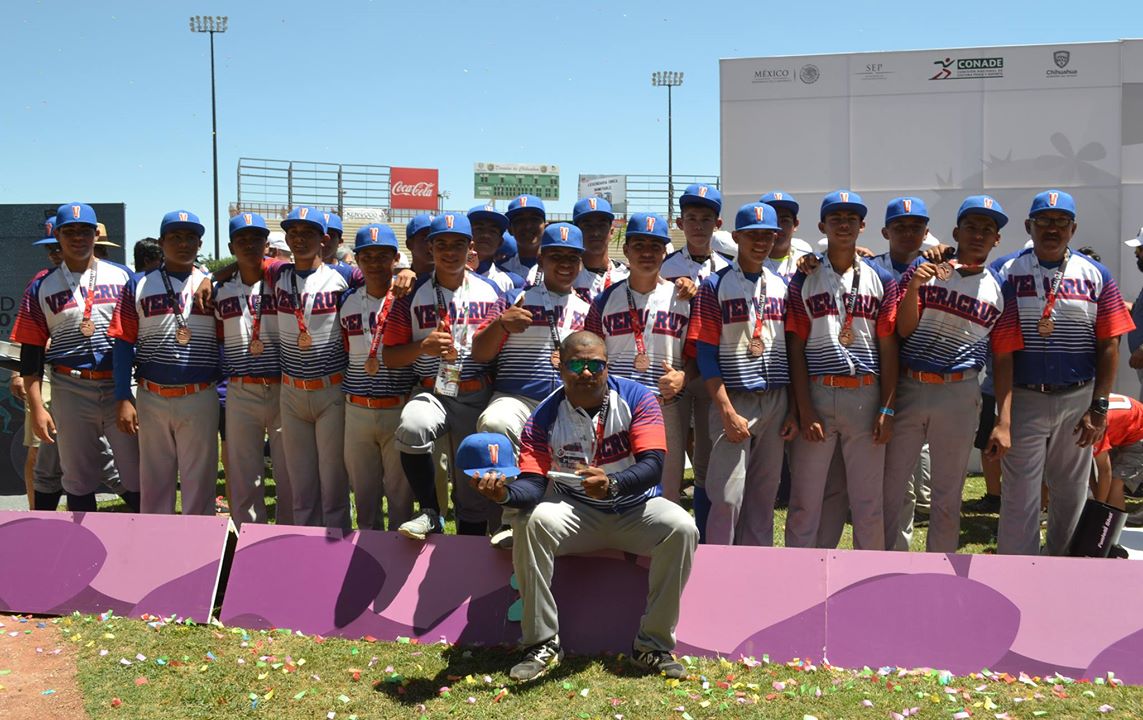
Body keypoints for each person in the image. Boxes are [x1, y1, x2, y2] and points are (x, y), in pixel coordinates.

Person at [470, 331, 697, 682]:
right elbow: (532, 484)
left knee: (681, 526)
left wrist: (614, 484)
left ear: (607, 366)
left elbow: (654, 463)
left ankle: (652, 646)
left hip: (633, 508)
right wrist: (503, 496)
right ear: (560, 366)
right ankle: (541, 643)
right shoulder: (543, 416)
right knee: (532, 522)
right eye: (577, 364)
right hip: (576, 513)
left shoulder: (638, 398)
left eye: (596, 364)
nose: (587, 372)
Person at [989, 190, 1134, 556]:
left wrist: (1098, 406)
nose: (1052, 229)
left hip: (1077, 397)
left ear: (1073, 229)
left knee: (1071, 492)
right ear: (1029, 226)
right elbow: (1002, 351)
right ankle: (1016, 573)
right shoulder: (1005, 271)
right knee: (1020, 494)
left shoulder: (1096, 273)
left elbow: (1109, 345)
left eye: (1060, 222)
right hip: (1024, 396)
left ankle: (1064, 573)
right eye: (1044, 221)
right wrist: (1003, 417)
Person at [885, 195, 1010, 553]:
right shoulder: (926, 269)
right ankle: (894, 562)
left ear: (996, 240)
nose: (978, 234)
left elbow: (1003, 357)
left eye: (988, 229)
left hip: (959, 390)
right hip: (912, 383)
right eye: (971, 226)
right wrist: (913, 288)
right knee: (895, 486)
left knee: (947, 490)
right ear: (956, 231)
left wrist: (1004, 417)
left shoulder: (999, 287)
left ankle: (939, 568)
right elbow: (904, 331)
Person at [785, 190, 899, 551]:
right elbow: (796, 348)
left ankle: (870, 585)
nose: (844, 224)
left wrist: (887, 406)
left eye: (852, 218)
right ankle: (800, 578)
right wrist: (804, 408)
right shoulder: (804, 277)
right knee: (806, 500)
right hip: (818, 391)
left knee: (868, 503)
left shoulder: (881, 278)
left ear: (863, 225)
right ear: (823, 226)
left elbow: (888, 345)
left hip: (866, 394)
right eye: (836, 218)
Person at [384, 212, 504, 539]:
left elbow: (500, 350)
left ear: (470, 248)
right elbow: (390, 356)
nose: (450, 252)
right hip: (431, 391)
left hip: (476, 392)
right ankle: (430, 511)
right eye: (442, 245)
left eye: (458, 244)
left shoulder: (492, 290)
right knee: (412, 426)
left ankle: (467, 559)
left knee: (471, 492)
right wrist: (421, 347)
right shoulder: (411, 292)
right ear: (430, 248)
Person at [472, 222, 591, 547]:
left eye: (572, 257)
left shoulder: (587, 308)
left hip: (567, 404)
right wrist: (501, 324)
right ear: (541, 258)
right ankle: (512, 519)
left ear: (581, 262)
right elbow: (480, 353)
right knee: (496, 421)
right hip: (517, 396)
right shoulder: (515, 297)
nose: (565, 264)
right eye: (556, 257)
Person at [688, 202, 797, 545]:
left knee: (764, 498)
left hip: (775, 398)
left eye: (769, 235)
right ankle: (719, 569)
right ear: (736, 237)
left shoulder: (781, 285)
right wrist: (725, 410)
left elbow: (792, 353)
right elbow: (705, 354)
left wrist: (792, 408)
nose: (762, 242)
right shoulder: (714, 285)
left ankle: (756, 571)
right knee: (728, 497)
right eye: (753, 235)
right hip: (734, 399)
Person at [13, 209, 136, 511]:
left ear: (96, 234)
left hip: (120, 386)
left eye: (85, 230)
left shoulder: (122, 276)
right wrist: (38, 408)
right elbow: (31, 354)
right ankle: (85, 550)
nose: (78, 237)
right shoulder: (41, 286)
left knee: (135, 473)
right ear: (57, 235)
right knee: (77, 479)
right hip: (70, 385)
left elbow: (140, 335)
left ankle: (146, 549)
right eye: (70, 231)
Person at [110, 209, 217, 515]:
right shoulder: (138, 284)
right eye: (175, 237)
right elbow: (122, 342)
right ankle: (157, 552)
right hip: (151, 393)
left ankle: (199, 552)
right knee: (155, 482)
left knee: (200, 482)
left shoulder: (212, 285)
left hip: (199, 393)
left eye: (190, 238)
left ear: (199, 243)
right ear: (161, 242)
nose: (183, 243)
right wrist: (122, 395)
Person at [586, 213, 695, 501]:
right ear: (626, 250)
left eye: (655, 246)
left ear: (665, 251)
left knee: (664, 491)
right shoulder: (605, 300)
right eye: (639, 245)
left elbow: (698, 355)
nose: (647, 253)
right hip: (616, 408)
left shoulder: (683, 299)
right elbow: (592, 357)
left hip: (667, 405)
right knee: (615, 487)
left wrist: (684, 376)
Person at [265, 207, 353, 530]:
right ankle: (304, 554)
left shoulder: (344, 276)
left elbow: (378, 277)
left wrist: (407, 273)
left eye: (308, 233)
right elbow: (246, 261)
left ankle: (336, 553)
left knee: (333, 485)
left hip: (330, 389)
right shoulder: (277, 274)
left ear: (324, 239)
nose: (299, 239)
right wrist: (215, 276)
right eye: (294, 233)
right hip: (291, 392)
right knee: (301, 486)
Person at [214, 212, 293, 526]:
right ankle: (249, 539)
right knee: (243, 473)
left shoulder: (283, 278)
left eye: (256, 238)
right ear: (232, 245)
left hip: (282, 386)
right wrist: (212, 275)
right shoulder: (219, 289)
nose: (249, 245)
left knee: (289, 472)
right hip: (240, 387)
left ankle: (289, 536)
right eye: (241, 239)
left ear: (267, 244)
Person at [339, 223, 416, 530]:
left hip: (397, 405)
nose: (373, 263)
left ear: (395, 257)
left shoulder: (407, 298)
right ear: (357, 260)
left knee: (400, 496)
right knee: (365, 495)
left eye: (381, 256)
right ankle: (368, 556)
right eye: (366, 256)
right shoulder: (346, 299)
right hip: (357, 407)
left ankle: (398, 559)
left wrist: (410, 271)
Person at [571, 196, 628, 304]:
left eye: (602, 225)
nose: (595, 232)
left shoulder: (626, 276)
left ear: (611, 231)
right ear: (576, 232)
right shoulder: (564, 274)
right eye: (587, 226)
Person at [468, 204, 524, 292]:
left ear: (500, 242)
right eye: (479, 229)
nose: (485, 235)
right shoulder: (445, 276)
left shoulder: (513, 282)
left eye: (493, 231)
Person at [759, 191, 810, 282]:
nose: (778, 226)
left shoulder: (808, 261)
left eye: (784, 220)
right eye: (772, 220)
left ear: (795, 224)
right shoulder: (750, 263)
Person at [498, 195, 545, 281]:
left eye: (534, 219)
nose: (528, 226)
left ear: (545, 227)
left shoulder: (559, 269)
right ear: (510, 229)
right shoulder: (499, 270)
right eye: (520, 220)